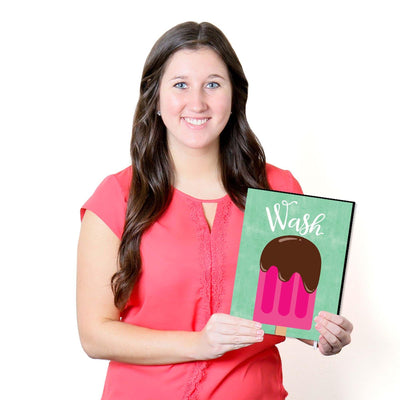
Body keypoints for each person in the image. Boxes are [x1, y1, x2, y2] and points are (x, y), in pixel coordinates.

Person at [77, 21, 353, 400]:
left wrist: (322, 333)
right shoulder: (117, 197)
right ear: (155, 98)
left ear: (234, 96)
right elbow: (95, 334)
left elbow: (292, 315)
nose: (197, 103)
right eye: (180, 85)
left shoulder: (278, 190)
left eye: (213, 84)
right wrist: (199, 344)